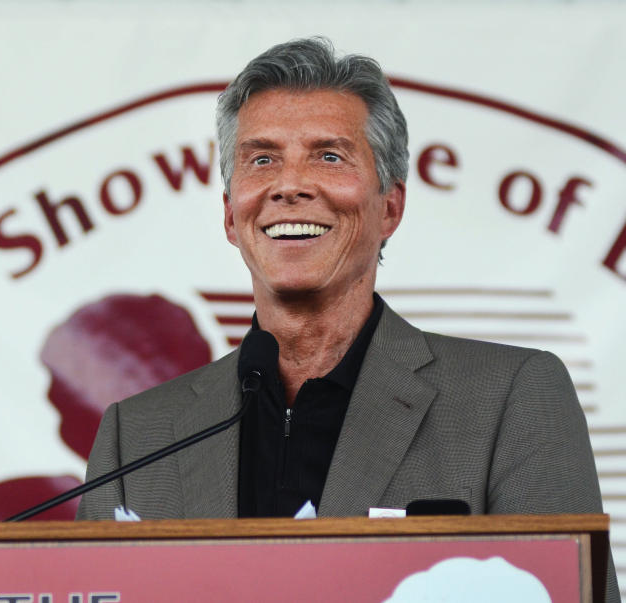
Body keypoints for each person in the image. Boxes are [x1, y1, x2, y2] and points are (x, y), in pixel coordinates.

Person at [75, 37, 617, 600]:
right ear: (231, 216)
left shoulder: (510, 398)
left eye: (329, 156)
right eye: (262, 159)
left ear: (390, 207)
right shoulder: (135, 436)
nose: (290, 186)